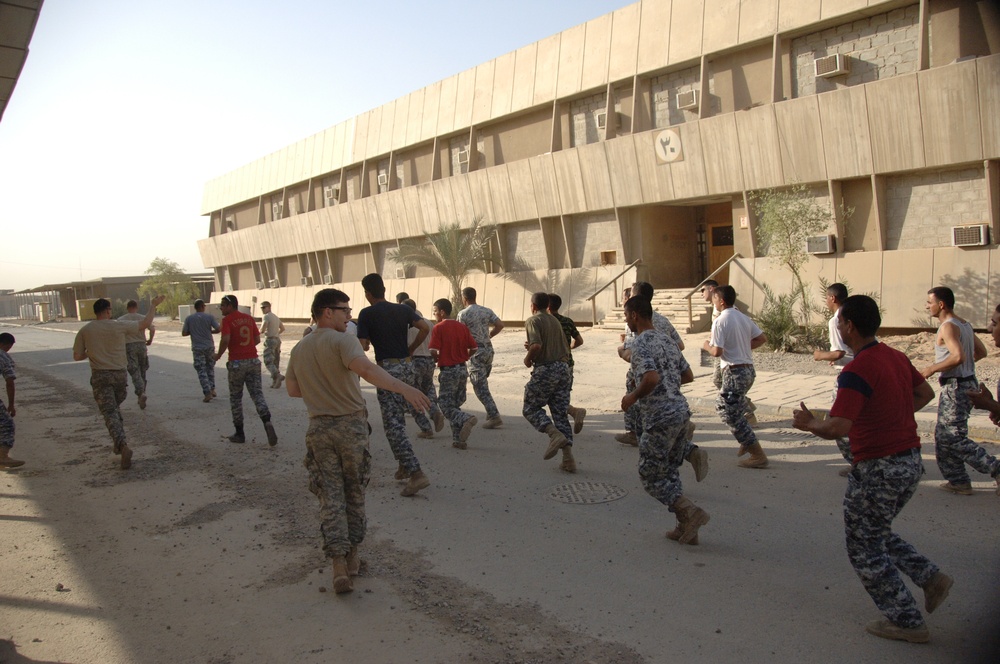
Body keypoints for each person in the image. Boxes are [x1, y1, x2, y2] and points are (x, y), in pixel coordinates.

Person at [793, 295, 952, 644]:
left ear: (849, 325)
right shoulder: (894, 357)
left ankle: (907, 620)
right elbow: (924, 393)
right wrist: (892, 415)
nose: (838, 325)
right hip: (909, 461)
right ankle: (930, 577)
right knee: (874, 530)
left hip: (879, 467)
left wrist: (810, 424)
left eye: (839, 321)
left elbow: (839, 427)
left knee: (863, 545)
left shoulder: (856, 370)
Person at [285, 288, 431, 594]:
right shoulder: (343, 341)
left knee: (330, 495)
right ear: (327, 312)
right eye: (344, 310)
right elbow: (366, 370)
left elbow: (294, 391)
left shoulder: (299, 348)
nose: (349, 315)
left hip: (319, 429)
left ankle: (337, 564)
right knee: (353, 492)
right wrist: (405, 389)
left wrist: (321, 387)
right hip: (350, 426)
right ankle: (353, 558)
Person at [620, 297, 708, 544]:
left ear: (635, 315)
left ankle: (690, 511)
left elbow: (650, 378)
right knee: (669, 469)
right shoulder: (667, 341)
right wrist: (670, 383)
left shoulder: (640, 345)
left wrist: (632, 397)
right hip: (680, 412)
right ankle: (685, 528)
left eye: (626, 315)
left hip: (659, 416)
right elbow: (688, 375)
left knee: (649, 474)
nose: (625, 320)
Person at [356, 273, 432, 496]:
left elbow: (362, 346)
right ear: (384, 290)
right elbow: (425, 327)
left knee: (393, 425)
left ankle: (416, 472)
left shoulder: (367, 313)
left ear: (368, 293)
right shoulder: (403, 309)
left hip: (387, 370)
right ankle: (403, 465)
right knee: (398, 418)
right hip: (408, 366)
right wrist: (411, 349)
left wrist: (367, 340)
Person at [919, 286, 996, 496]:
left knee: (953, 437)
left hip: (957, 386)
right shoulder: (964, 324)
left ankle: (995, 467)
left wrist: (931, 369)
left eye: (929, 302)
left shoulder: (948, 327)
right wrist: (965, 367)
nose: (927, 306)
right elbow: (980, 352)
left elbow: (958, 356)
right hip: (965, 382)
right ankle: (958, 480)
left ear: (941, 304)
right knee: (943, 435)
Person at [73, 295, 165, 470]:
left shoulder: (86, 330)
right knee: (114, 410)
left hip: (101, 376)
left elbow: (77, 356)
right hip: (120, 377)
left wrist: (91, 352)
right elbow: (145, 324)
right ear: (108, 310)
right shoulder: (119, 325)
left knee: (109, 413)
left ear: (95, 312)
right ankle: (118, 443)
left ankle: (122, 446)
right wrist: (153, 305)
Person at [703, 285, 769, 468]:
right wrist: (743, 348)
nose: (713, 302)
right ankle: (745, 437)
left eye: (714, 299)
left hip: (734, 371)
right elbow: (761, 338)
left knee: (725, 410)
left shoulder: (720, 320)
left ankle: (756, 452)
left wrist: (705, 345)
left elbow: (716, 351)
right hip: (748, 371)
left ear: (721, 301)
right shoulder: (742, 317)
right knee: (734, 408)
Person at [616, 282, 685, 446]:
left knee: (650, 464)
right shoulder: (662, 322)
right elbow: (680, 347)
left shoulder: (638, 333)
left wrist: (621, 351)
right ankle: (687, 444)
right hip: (677, 403)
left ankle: (634, 433)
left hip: (649, 389)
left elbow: (633, 356)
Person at [522, 292, 575, 472]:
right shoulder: (555, 321)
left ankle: (553, 434)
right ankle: (568, 459)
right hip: (563, 369)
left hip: (546, 369)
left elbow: (536, 345)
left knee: (530, 408)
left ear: (533, 306)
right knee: (560, 413)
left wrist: (528, 358)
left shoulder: (533, 320)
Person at [215, 294, 278, 447]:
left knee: (236, 398)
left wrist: (218, 354)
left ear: (230, 306)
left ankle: (239, 432)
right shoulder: (249, 319)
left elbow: (225, 339)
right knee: (257, 394)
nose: (221, 309)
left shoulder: (227, 320)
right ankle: (267, 421)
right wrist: (247, 348)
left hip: (236, 362)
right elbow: (256, 339)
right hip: (253, 361)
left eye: (223, 306)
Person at [812, 282, 854, 472]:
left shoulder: (837, 319)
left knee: (839, 418)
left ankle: (856, 462)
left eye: (827, 298)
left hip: (848, 374)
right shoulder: (854, 314)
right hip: (860, 367)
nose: (826, 302)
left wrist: (820, 355)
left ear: (832, 298)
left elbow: (839, 353)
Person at [428, 298, 478, 449]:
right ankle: (459, 439)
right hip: (462, 369)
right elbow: (474, 347)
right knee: (455, 404)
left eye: (435, 311)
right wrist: (464, 356)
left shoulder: (439, 327)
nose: (434, 314)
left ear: (442, 312)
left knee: (445, 404)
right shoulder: (462, 327)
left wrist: (437, 358)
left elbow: (432, 350)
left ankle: (466, 418)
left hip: (448, 370)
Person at [456, 287, 504, 429]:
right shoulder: (486, 310)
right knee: (483, 383)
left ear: (464, 298)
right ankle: (491, 412)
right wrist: (490, 335)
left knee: (479, 386)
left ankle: (494, 415)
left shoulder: (463, 314)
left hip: (475, 351)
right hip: (488, 350)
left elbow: (459, 334)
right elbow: (500, 325)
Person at [402, 299, 446, 439]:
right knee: (429, 389)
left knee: (412, 395)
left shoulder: (407, 324)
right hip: (429, 360)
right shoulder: (427, 322)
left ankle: (426, 428)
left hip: (415, 360)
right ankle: (434, 411)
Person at [547, 293, 587, 434]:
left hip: (551, 363)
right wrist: (569, 348)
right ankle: (571, 416)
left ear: (547, 306)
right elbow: (580, 340)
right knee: (562, 394)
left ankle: (573, 414)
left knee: (549, 395)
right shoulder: (567, 321)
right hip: (568, 362)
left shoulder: (545, 321)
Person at [118, 299, 155, 409]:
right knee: (142, 370)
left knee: (134, 371)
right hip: (141, 345)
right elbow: (152, 329)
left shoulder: (121, 320)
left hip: (129, 346)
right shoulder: (143, 318)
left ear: (127, 308)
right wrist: (150, 340)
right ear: (136, 307)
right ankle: (142, 392)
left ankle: (140, 393)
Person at [181, 299, 220, 402]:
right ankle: (212, 389)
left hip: (198, 347)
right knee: (210, 368)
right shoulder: (209, 317)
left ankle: (207, 392)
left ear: (195, 307)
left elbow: (184, 333)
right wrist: (209, 331)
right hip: (209, 346)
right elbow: (218, 329)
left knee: (201, 370)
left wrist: (193, 332)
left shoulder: (189, 319)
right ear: (203, 306)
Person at [0, 332, 23, 468]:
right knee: (7, 424)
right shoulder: (3, 356)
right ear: (6, 345)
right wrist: (11, 405)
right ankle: (3, 456)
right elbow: (9, 381)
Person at [258, 301, 286, 388]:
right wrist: (276, 333)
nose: (262, 309)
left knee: (268, 361)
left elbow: (262, 329)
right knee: (275, 361)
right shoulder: (275, 317)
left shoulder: (266, 316)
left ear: (269, 307)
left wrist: (257, 332)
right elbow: (282, 328)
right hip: (277, 340)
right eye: (261, 308)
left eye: (264, 307)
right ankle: (275, 382)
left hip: (270, 340)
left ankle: (277, 376)